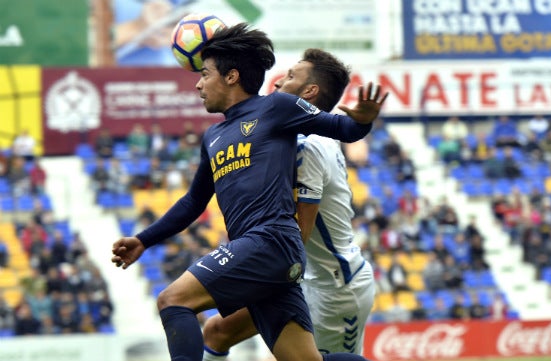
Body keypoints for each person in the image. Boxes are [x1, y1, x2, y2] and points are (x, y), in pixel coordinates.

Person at [111, 23, 388, 361]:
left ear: (231, 77)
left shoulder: (276, 108)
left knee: (173, 300)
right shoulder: (212, 138)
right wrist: (144, 239)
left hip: (271, 241)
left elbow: (343, 128)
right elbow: (193, 202)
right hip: (272, 259)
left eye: (206, 74)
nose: (198, 84)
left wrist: (363, 121)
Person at [201, 48, 376, 359]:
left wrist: (243, 270)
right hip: (304, 278)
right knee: (217, 332)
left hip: (332, 288)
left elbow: (300, 234)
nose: (279, 80)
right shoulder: (292, 135)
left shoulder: (309, 146)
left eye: (291, 76)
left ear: (310, 91)